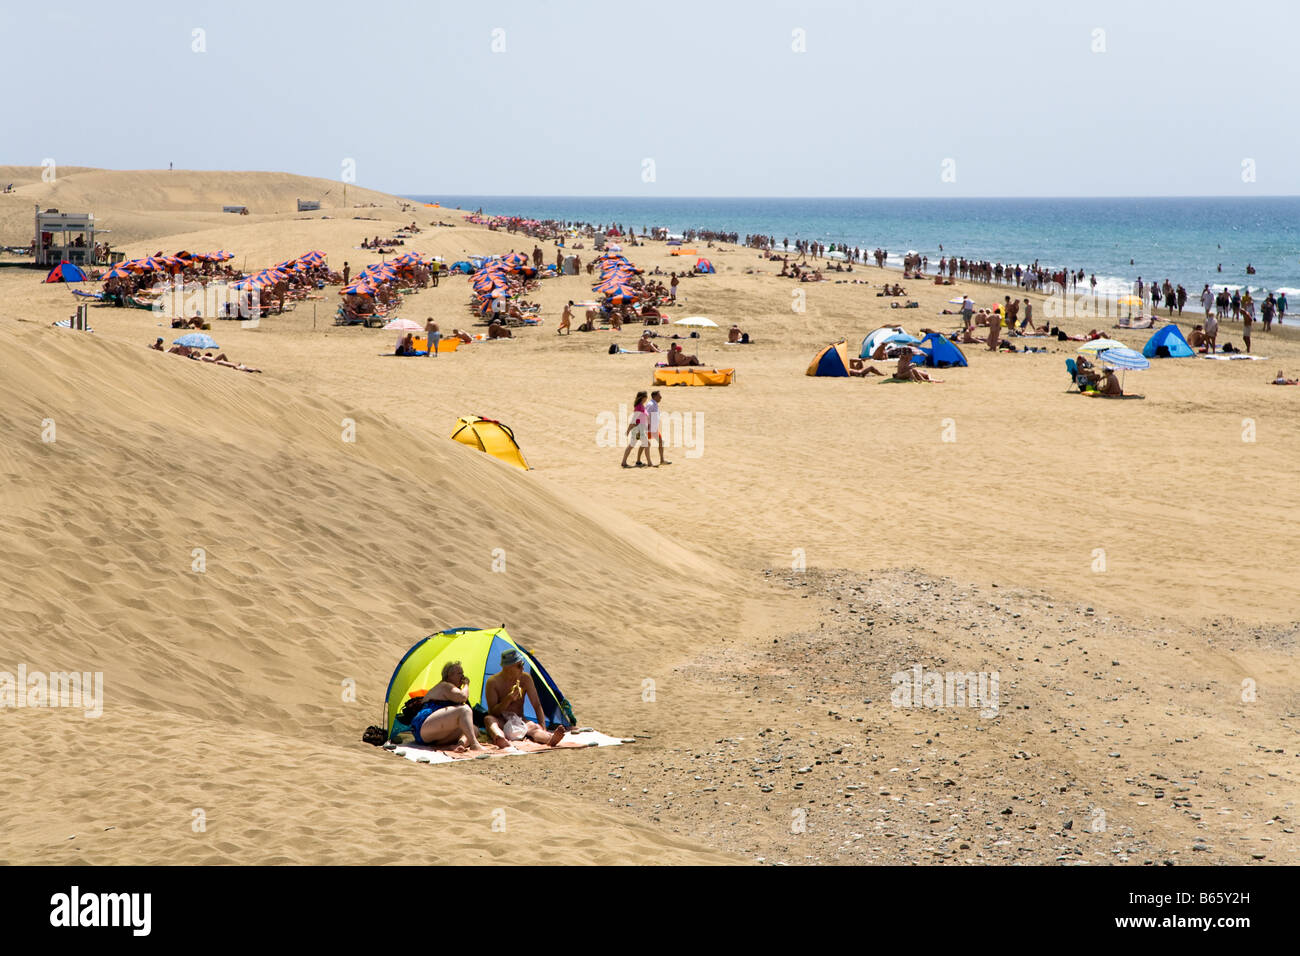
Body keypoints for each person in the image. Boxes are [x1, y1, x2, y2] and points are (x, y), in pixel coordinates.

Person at [481, 650, 567, 749]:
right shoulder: (493, 682)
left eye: (522, 664)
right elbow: (493, 712)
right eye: (519, 666)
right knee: (488, 720)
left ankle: (550, 739)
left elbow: (536, 705)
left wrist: (543, 727)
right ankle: (500, 738)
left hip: (520, 720)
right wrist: (508, 699)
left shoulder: (525, 679)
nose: (522, 668)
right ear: (508, 667)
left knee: (535, 728)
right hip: (502, 721)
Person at [409, 661, 486, 752]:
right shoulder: (445, 686)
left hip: (434, 735)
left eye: (463, 673)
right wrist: (466, 684)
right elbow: (463, 697)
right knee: (464, 710)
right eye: (459, 673)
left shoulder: (451, 688)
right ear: (449, 676)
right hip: (423, 726)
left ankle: (459, 745)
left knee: (474, 729)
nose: (463, 677)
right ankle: (474, 744)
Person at [621, 390, 651, 468]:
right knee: (646, 444)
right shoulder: (639, 407)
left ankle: (625, 462)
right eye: (646, 396)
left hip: (640, 429)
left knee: (632, 445)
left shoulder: (641, 405)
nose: (647, 398)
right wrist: (628, 430)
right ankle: (649, 462)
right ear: (643, 397)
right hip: (638, 429)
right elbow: (634, 420)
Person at [647, 390, 669, 465]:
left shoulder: (654, 403)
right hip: (649, 428)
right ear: (654, 396)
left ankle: (662, 460)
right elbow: (645, 415)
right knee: (644, 445)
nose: (661, 397)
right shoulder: (651, 404)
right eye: (659, 396)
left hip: (654, 429)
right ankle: (638, 460)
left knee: (661, 442)